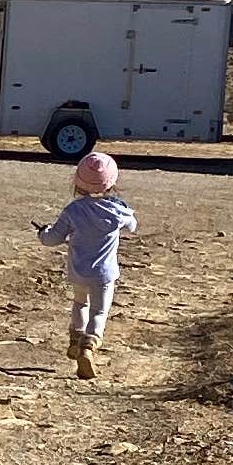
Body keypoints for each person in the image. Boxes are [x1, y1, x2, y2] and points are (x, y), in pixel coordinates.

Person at [38, 146, 137, 378]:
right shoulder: (118, 211)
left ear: (78, 181)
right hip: (104, 274)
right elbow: (133, 227)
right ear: (112, 182)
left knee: (80, 304)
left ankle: (75, 338)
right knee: (99, 311)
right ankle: (88, 348)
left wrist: (43, 233)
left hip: (78, 271)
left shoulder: (73, 210)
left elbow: (53, 239)